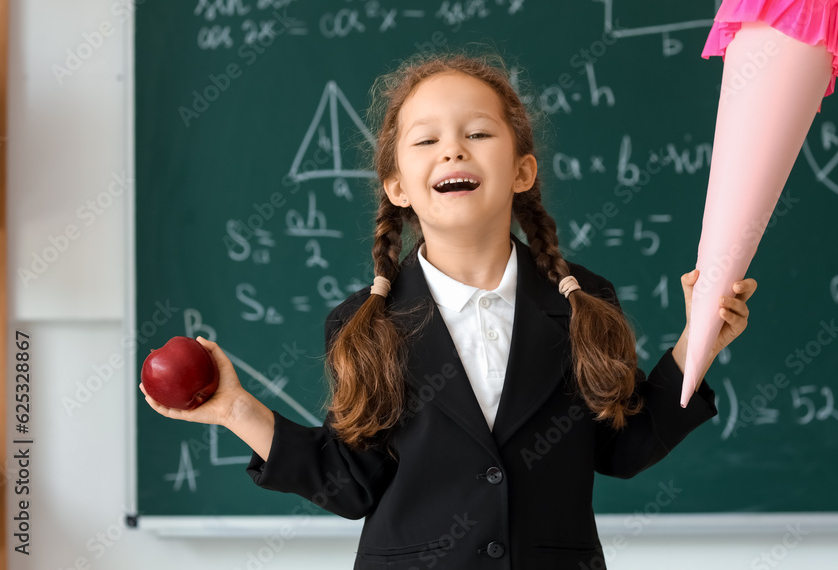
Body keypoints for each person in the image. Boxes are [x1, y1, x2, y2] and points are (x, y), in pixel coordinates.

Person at [140, 50, 757, 569]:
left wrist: (694, 347)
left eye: (479, 133)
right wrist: (236, 409)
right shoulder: (365, 324)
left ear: (522, 171)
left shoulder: (582, 300)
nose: (454, 151)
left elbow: (620, 448)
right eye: (427, 139)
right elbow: (352, 482)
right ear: (398, 187)